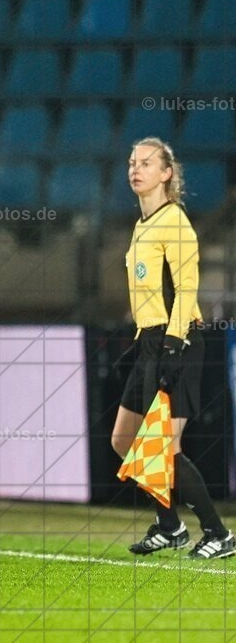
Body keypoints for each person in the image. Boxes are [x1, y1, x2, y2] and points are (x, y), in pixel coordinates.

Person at [111, 137, 234, 559]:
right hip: (150, 340)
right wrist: (141, 340)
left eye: (146, 162)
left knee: (165, 448)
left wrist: (171, 344)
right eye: (132, 162)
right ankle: (170, 526)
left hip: (176, 340)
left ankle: (218, 533)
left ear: (167, 173)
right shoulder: (142, 224)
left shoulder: (174, 221)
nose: (136, 168)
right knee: (125, 440)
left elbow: (187, 289)